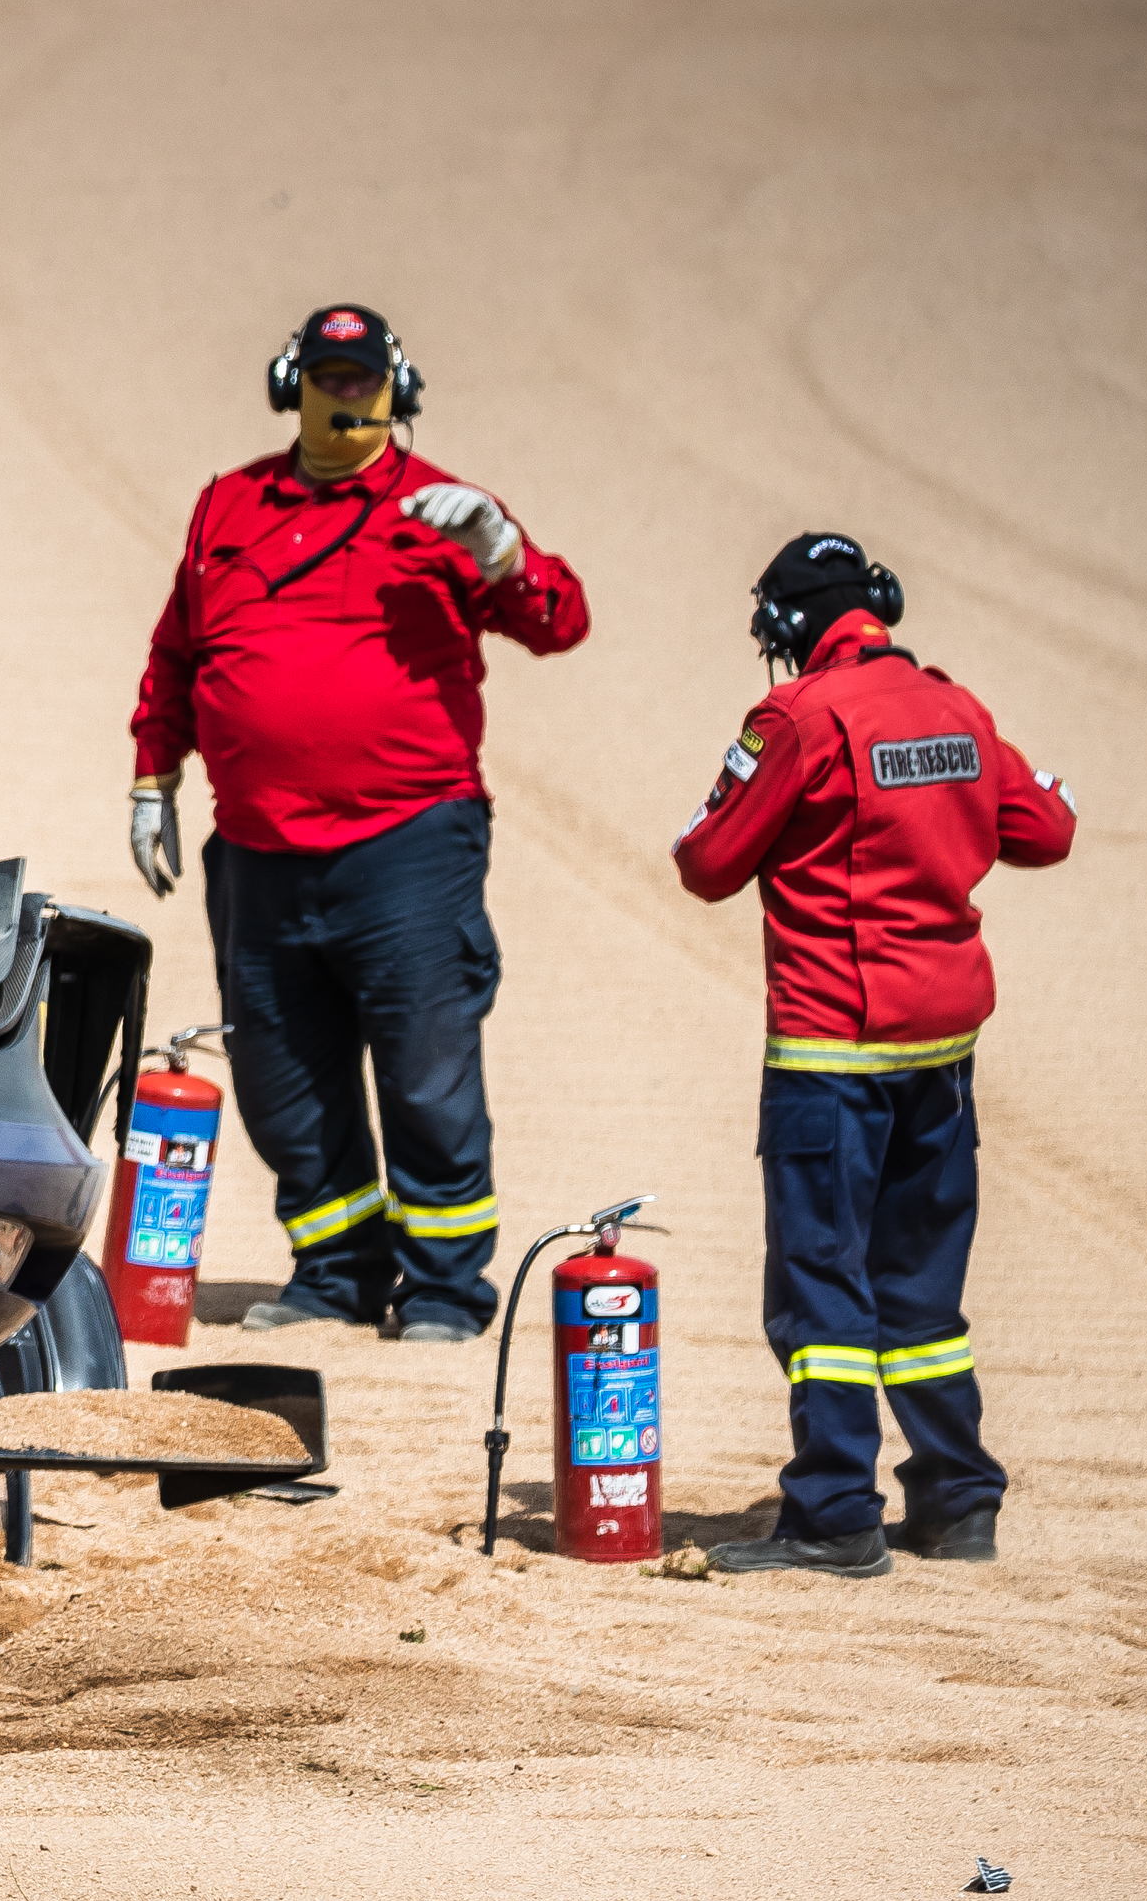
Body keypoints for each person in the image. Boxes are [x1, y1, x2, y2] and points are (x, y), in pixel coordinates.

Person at [127, 303, 591, 1342]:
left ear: (397, 389)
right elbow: (176, 653)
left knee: (426, 1074)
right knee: (280, 1076)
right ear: (291, 382)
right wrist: (151, 775)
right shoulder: (228, 506)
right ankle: (334, 1271)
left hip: (407, 843)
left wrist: (504, 555)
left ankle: (443, 1290)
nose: (345, 394)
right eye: (328, 376)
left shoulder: (443, 509)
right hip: (256, 848)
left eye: (363, 377)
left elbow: (558, 623)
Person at [673, 535, 1074, 1574]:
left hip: (831, 1052)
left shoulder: (796, 719)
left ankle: (834, 1514)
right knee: (920, 1290)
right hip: (942, 1050)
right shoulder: (956, 708)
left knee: (821, 1290)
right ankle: (955, 1502)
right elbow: (1046, 830)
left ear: (789, 630)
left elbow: (708, 864)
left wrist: (712, 817)